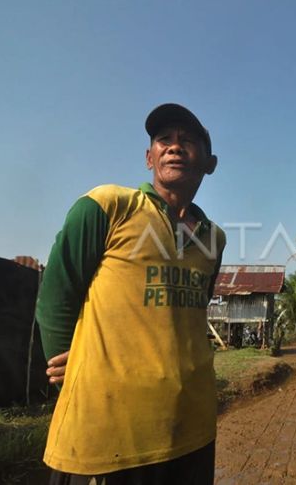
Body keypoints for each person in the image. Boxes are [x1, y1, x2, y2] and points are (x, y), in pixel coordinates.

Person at [35, 103, 226, 484]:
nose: (174, 147)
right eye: (163, 140)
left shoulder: (214, 238)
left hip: (193, 427)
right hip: (107, 433)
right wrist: (69, 372)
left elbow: (191, 312)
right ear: (148, 157)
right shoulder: (107, 206)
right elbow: (56, 293)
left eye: (187, 140)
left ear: (209, 162)